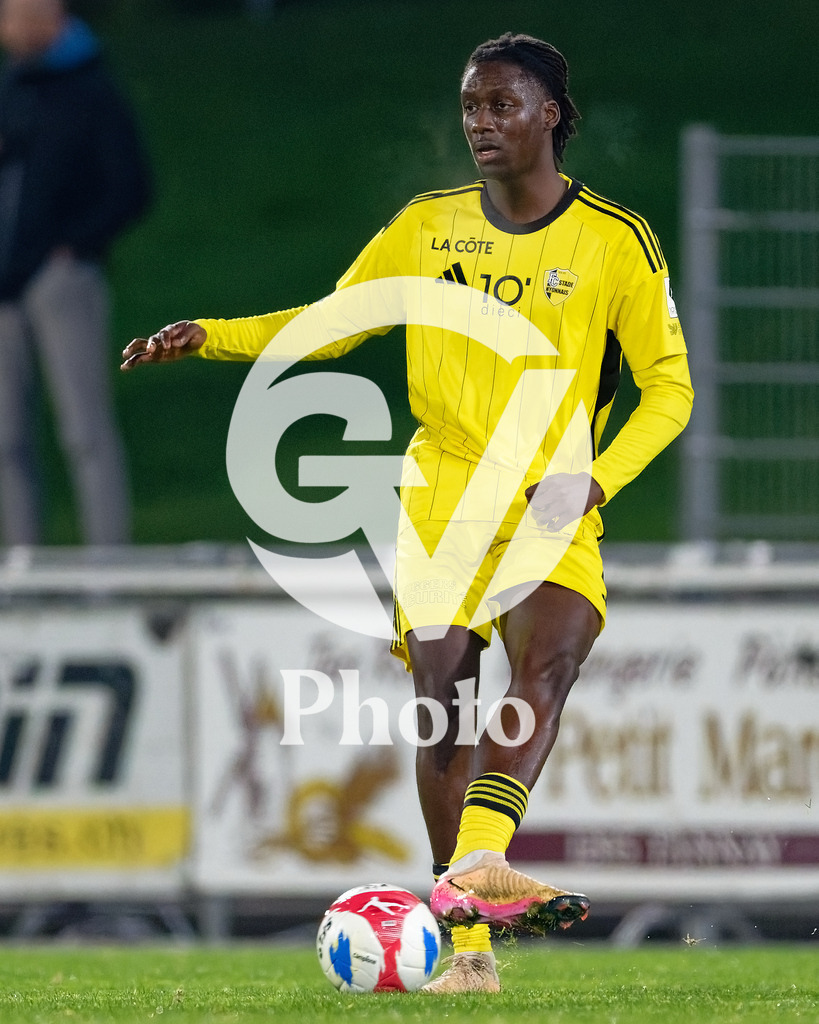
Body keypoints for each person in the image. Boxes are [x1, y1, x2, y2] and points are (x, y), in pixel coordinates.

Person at [122, 33, 693, 992]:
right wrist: (210, 336)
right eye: (470, 107)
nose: (480, 123)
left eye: (501, 105)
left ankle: (473, 869)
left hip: (551, 493)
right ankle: (468, 937)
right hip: (444, 497)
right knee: (444, 699)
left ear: (550, 114)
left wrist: (597, 479)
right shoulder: (424, 228)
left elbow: (668, 390)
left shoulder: (614, 241)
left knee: (546, 661)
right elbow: (330, 323)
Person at [0, 0, 151, 545]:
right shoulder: (15, 88)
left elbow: (131, 186)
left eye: (12, 15)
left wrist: (75, 247)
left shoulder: (91, 90)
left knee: (84, 430)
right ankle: (23, 568)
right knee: (6, 436)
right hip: (5, 284)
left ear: (47, 15)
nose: (5, 28)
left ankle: (109, 569)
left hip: (60, 281)